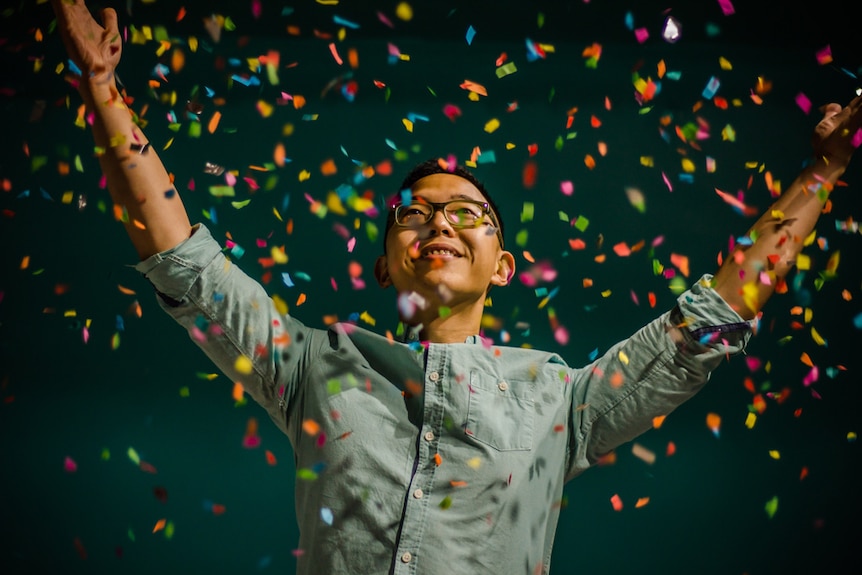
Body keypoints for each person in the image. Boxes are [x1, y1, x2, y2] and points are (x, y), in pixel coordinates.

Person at [50, 0, 861, 573]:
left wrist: (824, 168)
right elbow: (182, 257)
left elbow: (706, 323)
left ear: (503, 266)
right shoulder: (311, 366)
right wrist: (101, 87)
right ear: (386, 260)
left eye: (468, 213)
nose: (439, 222)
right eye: (416, 213)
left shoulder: (562, 401)